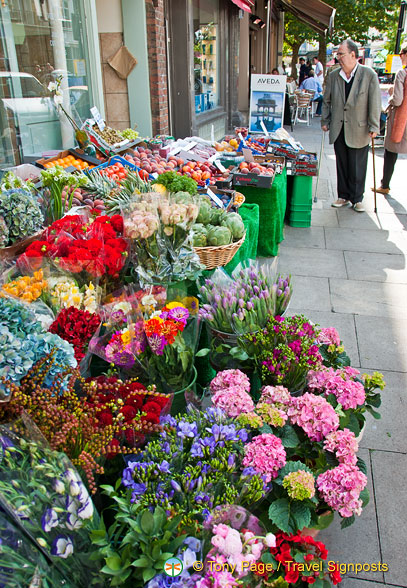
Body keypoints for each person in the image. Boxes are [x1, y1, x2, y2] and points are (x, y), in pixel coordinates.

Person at [321, 38, 381, 212]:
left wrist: (374, 126)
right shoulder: (334, 75)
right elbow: (327, 100)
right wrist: (325, 120)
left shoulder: (368, 75)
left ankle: (357, 198)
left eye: (341, 54)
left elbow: (374, 102)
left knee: (357, 165)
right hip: (339, 126)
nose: (338, 57)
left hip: (359, 127)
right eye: (338, 54)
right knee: (342, 163)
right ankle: (343, 196)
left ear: (353, 55)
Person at [372, 44, 407, 195]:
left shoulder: (402, 73)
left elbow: (398, 100)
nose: (401, 57)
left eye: (401, 54)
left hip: (401, 118)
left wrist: (391, 96)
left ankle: (385, 184)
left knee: (391, 150)